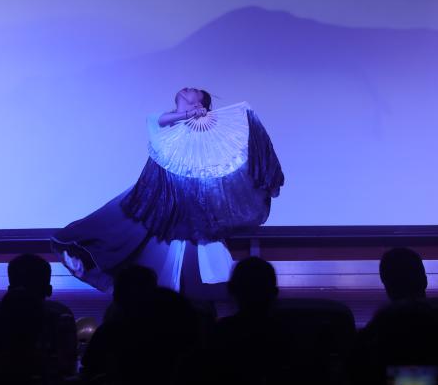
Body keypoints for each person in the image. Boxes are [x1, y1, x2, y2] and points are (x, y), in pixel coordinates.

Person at [51, 87, 283, 293]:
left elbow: (219, 152)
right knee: (122, 227)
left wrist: (239, 114)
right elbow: (156, 120)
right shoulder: (163, 123)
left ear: (199, 103)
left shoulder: (205, 132)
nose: (187, 88)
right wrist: (188, 115)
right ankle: (88, 258)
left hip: (189, 202)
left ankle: (192, 297)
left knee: (187, 260)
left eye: (194, 92)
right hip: (159, 197)